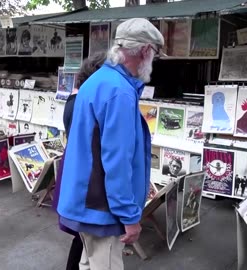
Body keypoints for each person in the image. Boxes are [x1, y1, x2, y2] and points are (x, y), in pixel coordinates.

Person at [57, 18, 164, 270]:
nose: (153, 62)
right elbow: (117, 161)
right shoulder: (119, 91)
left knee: (87, 263)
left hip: (86, 200)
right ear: (146, 50)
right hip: (100, 206)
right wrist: (129, 216)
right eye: (155, 55)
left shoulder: (99, 80)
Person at [53, 51, 107, 270]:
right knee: (84, 236)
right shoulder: (82, 104)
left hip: (77, 171)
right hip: (86, 177)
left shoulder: (75, 100)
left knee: (83, 237)